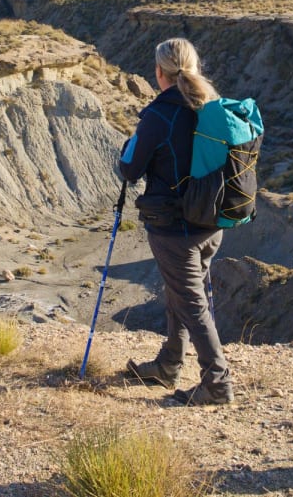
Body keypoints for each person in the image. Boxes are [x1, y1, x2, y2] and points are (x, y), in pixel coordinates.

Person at [118, 37, 234, 406]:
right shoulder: (210, 106)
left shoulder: (160, 114)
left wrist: (128, 150)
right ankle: (168, 364)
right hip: (210, 221)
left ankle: (217, 383)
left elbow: (130, 169)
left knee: (190, 300)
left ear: (158, 72)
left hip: (175, 226)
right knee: (182, 293)